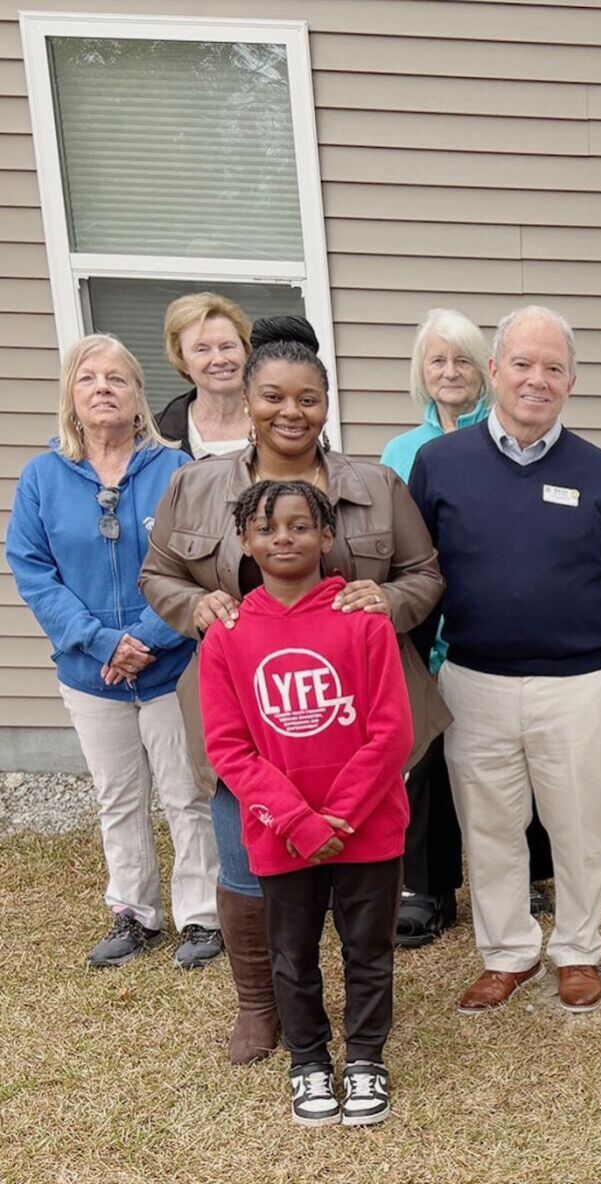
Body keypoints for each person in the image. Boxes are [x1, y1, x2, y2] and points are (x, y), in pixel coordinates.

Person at [141, 315, 447, 1065]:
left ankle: (364, 1004)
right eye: (273, 396)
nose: (290, 412)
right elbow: (158, 575)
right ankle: (260, 1003)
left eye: (307, 398)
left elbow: (425, 574)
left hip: (354, 712)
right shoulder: (197, 485)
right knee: (248, 856)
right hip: (248, 714)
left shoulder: (375, 486)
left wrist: (390, 601)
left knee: (361, 855)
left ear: (326, 404)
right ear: (247, 399)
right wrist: (195, 606)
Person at [409, 304, 601, 1016]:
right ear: (494, 373)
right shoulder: (439, 465)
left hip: (576, 686)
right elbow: (420, 579)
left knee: (579, 825)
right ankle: (507, 951)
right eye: (521, 363)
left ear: (572, 381)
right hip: (472, 681)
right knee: (488, 827)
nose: (535, 380)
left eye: (552, 368)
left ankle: (578, 949)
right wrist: (415, 681)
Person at [199, 480, 412, 1127]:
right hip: (279, 835)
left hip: (367, 828)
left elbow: (391, 731)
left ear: (326, 537)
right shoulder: (227, 637)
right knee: (290, 955)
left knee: (367, 950)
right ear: (245, 542)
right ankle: (310, 1061)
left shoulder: (362, 620)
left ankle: (367, 1056)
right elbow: (228, 747)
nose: (283, 538)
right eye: (267, 528)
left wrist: (340, 815)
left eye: (298, 526)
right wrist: (296, 819)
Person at [6, 335, 220, 969]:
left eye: (117, 379)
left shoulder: (175, 469)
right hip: (88, 671)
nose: (103, 388)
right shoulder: (43, 477)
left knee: (186, 792)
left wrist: (148, 640)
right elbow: (32, 570)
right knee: (118, 794)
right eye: (88, 379)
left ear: (138, 397)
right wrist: (101, 641)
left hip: (171, 665)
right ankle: (134, 912)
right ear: (71, 397)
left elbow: (200, 566)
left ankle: (202, 916)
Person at [378, 308, 556, 948]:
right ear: (421, 373)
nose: (449, 373)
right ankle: (428, 888)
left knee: (519, 762)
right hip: (429, 634)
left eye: (460, 360)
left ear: (487, 369)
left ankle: (532, 874)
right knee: (426, 761)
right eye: (436, 361)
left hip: (495, 635)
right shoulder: (401, 452)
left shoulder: (514, 435)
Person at [155, 293, 253, 458]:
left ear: (246, 350)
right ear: (183, 361)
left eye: (227, 346)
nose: (219, 359)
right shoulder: (157, 436)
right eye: (202, 349)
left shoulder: (281, 420)